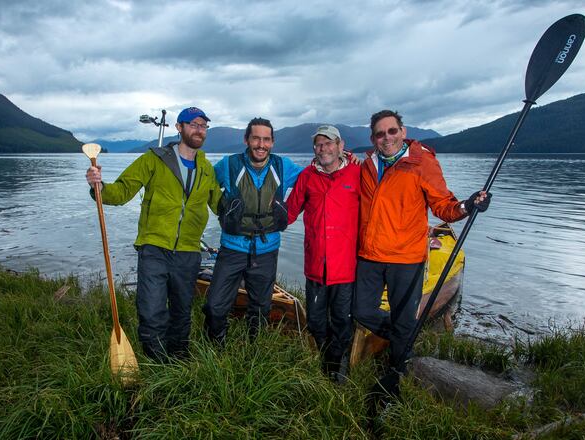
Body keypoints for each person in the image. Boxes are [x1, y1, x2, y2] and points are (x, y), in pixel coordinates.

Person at [354, 109, 490, 384]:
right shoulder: (366, 165)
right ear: (373, 138)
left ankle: (397, 371)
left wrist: (468, 204)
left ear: (402, 132)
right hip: (370, 254)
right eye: (380, 133)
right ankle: (405, 336)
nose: (387, 137)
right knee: (361, 310)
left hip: (406, 257)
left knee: (403, 317)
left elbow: (444, 206)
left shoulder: (421, 162)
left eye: (392, 131)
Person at [85, 106, 221, 362]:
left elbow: (220, 205)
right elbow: (121, 192)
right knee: (151, 309)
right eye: (193, 124)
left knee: (181, 311)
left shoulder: (206, 169)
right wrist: (98, 185)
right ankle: (155, 361)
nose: (199, 129)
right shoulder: (154, 159)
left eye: (203, 125)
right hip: (154, 247)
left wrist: (245, 216)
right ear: (179, 128)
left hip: (189, 251)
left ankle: (179, 360)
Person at [202, 117, 303, 345]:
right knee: (215, 305)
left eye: (266, 139)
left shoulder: (282, 166)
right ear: (246, 139)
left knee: (260, 307)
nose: (261, 144)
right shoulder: (229, 165)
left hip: (267, 248)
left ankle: (253, 349)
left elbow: (313, 178)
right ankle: (216, 347)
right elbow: (203, 183)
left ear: (272, 142)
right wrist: (220, 209)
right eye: (256, 138)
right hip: (232, 246)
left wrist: (346, 162)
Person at [285, 125, 360, 380]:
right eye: (318, 144)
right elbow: (289, 212)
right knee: (316, 321)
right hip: (316, 265)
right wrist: (259, 217)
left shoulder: (358, 173)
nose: (323, 148)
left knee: (342, 319)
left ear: (341, 146)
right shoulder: (307, 176)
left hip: (346, 267)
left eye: (329, 143)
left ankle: (337, 368)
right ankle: (327, 358)